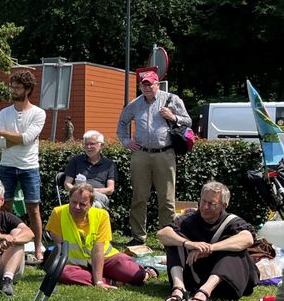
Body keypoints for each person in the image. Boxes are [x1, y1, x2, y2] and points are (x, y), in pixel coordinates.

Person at [117, 67, 190, 245]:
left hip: (165, 154)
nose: (147, 88)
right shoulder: (135, 104)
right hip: (140, 154)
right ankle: (138, 236)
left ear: (158, 84)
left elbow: (188, 120)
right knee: (139, 196)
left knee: (166, 198)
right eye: (144, 85)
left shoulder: (172, 99)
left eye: (150, 84)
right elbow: (122, 123)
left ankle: (168, 237)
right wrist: (126, 142)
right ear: (141, 87)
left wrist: (173, 117)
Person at [158, 181, 258, 301]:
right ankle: (179, 289)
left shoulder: (232, 222)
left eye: (212, 204)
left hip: (226, 283)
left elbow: (247, 238)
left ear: (224, 205)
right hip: (194, 278)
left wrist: (210, 248)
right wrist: (188, 243)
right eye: (203, 202)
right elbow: (162, 233)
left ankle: (204, 292)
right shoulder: (189, 219)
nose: (205, 207)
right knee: (174, 240)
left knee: (234, 248)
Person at [47, 183, 154, 288]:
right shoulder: (58, 213)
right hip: (76, 265)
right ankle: (111, 281)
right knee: (62, 273)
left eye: (82, 204)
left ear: (91, 204)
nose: (77, 207)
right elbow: (60, 249)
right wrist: (99, 282)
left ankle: (147, 272)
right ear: (69, 200)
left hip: (106, 258)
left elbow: (98, 251)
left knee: (136, 276)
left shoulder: (102, 215)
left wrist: (97, 281)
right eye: (73, 202)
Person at [0, 70, 46, 264]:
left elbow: (26, 138)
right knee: (3, 207)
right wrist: (15, 138)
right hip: (7, 165)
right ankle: (3, 245)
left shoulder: (39, 113)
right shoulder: (3, 113)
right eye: (12, 86)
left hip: (29, 166)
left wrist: (3, 134)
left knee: (33, 209)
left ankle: (38, 248)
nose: (14, 90)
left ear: (28, 89)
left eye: (18, 87)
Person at [62, 131, 118, 210]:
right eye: (86, 144)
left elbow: (110, 189)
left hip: (99, 195)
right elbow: (67, 184)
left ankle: (89, 207)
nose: (88, 147)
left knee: (95, 203)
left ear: (101, 145)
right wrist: (80, 192)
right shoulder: (75, 161)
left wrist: (90, 192)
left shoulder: (109, 164)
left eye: (92, 144)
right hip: (78, 195)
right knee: (93, 205)